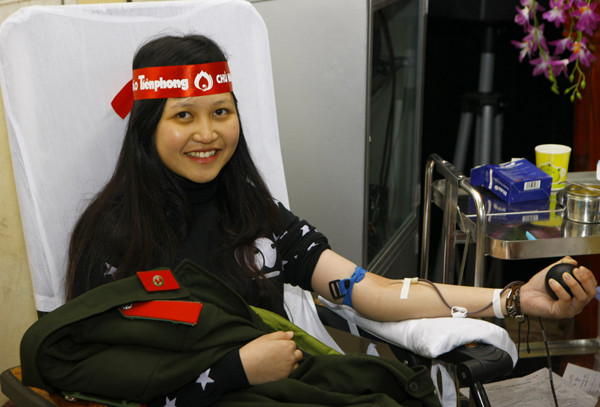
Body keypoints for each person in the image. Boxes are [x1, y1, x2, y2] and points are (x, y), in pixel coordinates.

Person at [63, 34, 597, 406]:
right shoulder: (114, 240)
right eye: (184, 115)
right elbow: (109, 379)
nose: (207, 133)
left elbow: (374, 292)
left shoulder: (258, 215)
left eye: (221, 112)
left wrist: (513, 299)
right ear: (148, 129)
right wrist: (230, 373)